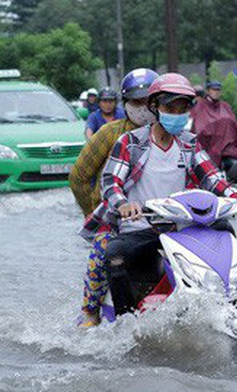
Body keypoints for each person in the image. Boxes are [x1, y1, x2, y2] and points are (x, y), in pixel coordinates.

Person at [81, 73, 237, 317]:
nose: (176, 114)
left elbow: (213, 178)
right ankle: (125, 324)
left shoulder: (189, 143)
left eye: (182, 108)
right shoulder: (130, 142)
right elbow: (111, 182)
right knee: (114, 256)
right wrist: (123, 204)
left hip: (183, 228)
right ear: (154, 107)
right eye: (170, 107)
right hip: (141, 227)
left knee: (225, 231)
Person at [70, 68, 159, 327]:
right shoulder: (111, 134)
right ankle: (90, 313)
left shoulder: (173, 135)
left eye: (148, 102)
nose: (142, 108)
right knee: (101, 254)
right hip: (117, 217)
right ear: (125, 104)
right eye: (136, 102)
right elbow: (78, 176)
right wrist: (95, 209)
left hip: (162, 216)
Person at [190, 80, 237, 188]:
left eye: (218, 90)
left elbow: (234, 127)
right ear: (208, 91)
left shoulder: (225, 107)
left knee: (236, 172)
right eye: (213, 90)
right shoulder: (200, 107)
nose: (216, 92)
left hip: (228, 150)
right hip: (208, 150)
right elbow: (198, 129)